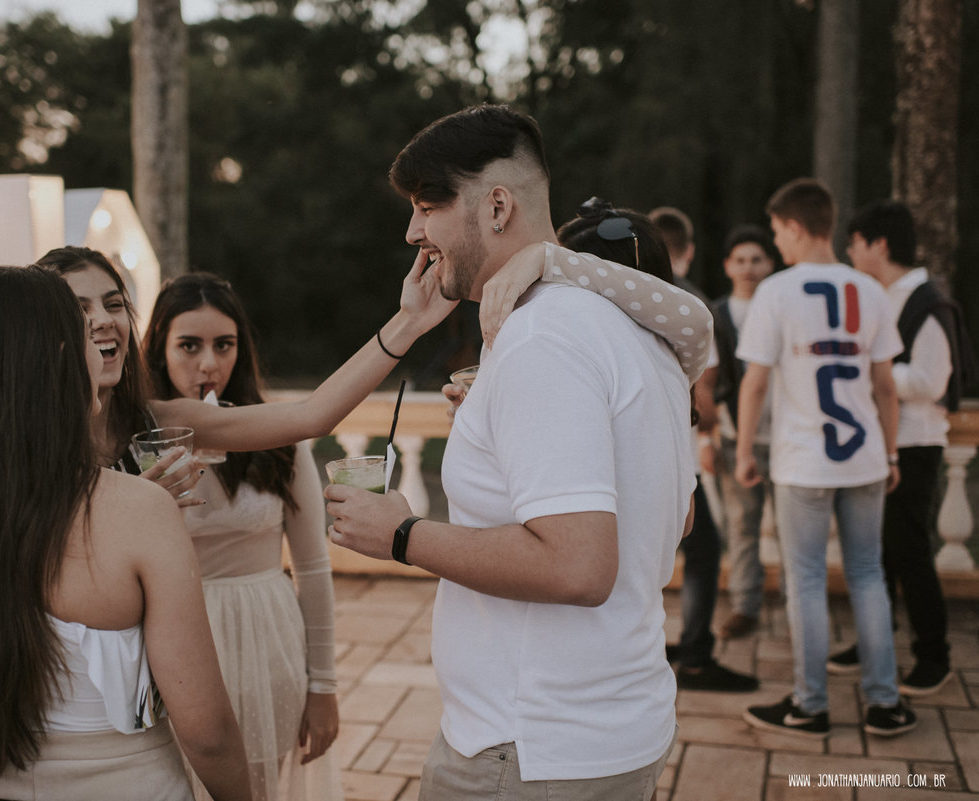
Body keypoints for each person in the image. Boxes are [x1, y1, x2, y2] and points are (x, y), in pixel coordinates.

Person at [326, 104, 699, 800]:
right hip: (611, 725)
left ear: (496, 206)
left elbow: (579, 565)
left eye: (427, 206)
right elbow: (673, 517)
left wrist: (404, 534)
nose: (413, 231)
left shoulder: (542, 338)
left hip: (530, 751)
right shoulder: (634, 326)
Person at [0, 266, 252, 800]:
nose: (100, 351)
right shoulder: (140, 510)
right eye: (85, 338)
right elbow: (207, 731)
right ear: (57, 359)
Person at [142, 272, 343, 801]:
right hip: (171, 638)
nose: (208, 364)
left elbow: (314, 568)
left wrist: (323, 685)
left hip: (265, 634)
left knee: (257, 785)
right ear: (159, 350)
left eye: (223, 345)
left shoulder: (278, 438)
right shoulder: (136, 448)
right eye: (189, 345)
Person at [736, 178, 916, 739]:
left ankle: (810, 706)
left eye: (776, 232)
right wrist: (889, 452)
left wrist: (744, 449)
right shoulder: (872, 291)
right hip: (864, 457)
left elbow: (755, 385)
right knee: (868, 576)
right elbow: (886, 388)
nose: (777, 243)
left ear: (793, 227)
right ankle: (885, 703)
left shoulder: (776, 291)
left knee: (807, 581)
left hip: (804, 463)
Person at [554, 203, 757, 693]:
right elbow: (702, 411)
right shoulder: (673, 335)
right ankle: (693, 651)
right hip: (654, 481)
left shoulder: (571, 340)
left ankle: (685, 648)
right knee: (696, 547)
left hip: (576, 649)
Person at [829, 198, 964, 695]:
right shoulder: (881, 298)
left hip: (915, 443)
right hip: (880, 442)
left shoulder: (928, 303)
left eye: (856, 243)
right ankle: (874, 641)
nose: (849, 251)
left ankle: (935, 656)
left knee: (910, 552)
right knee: (877, 553)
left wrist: (872, 369)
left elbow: (932, 379)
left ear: (879, 245)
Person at [36, 246, 202, 497]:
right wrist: (138, 505)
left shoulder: (151, 421)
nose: (103, 320)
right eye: (80, 309)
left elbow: (260, 421)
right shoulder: (31, 444)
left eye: (114, 304)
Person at [709, 225, 778, 640]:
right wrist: (710, 437)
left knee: (792, 528)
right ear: (728, 266)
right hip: (737, 435)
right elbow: (710, 381)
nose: (749, 268)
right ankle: (745, 605)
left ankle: (797, 602)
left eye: (757, 260)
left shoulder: (784, 305)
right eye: (741, 260)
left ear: (770, 264)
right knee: (742, 524)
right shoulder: (717, 312)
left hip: (786, 434)